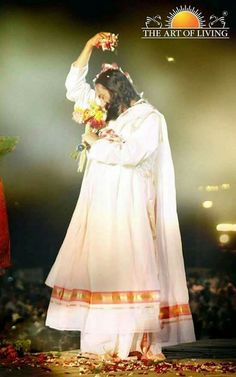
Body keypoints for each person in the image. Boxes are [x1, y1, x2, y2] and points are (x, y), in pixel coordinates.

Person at [44, 32, 196, 361]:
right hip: (101, 203)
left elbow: (132, 155)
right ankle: (103, 343)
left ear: (116, 92)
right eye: (97, 97)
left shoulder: (149, 119)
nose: (98, 102)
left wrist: (94, 143)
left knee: (129, 265)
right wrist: (87, 45)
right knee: (101, 265)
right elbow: (74, 86)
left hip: (129, 205)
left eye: (102, 96)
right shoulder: (112, 114)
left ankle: (133, 342)